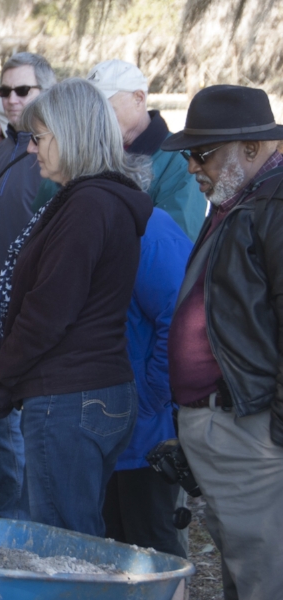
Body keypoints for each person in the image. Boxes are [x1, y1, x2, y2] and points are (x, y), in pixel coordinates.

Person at [0, 78, 152, 537]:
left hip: (69, 396)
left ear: (70, 134)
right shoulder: (91, 200)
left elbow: (48, 310)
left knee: (62, 545)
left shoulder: (88, 205)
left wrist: (0, 375)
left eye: (39, 138)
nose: (31, 151)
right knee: (76, 535)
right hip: (88, 390)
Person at [162, 85, 283, 600]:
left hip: (249, 430)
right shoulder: (241, 199)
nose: (192, 167)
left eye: (202, 153)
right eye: (190, 155)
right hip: (228, 426)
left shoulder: (272, 204)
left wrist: (271, 428)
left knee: (265, 574)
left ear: (252, 147)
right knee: (243, 569)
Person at [0, 51, 56, 522]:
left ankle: (22, 522)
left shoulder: (55, 151)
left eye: (22, 90)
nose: (10, 99)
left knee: (19, 422)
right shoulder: (2, 150)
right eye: (4, 90)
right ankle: (5, 513)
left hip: (29, 310)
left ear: (45, 92)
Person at [33, 59, 207, 240]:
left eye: (106, 107)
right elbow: (42, 216)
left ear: (139, 98)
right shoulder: (83, 151)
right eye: (90, 110)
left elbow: (176, 242)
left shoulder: (180, 162)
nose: (99, 117)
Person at [102, 205, 191, 557]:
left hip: (148, 428)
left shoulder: (151, 234)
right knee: (115, 539)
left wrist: (152, 398)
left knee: (152, 543)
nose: (34, 151)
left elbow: (181, 322)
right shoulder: (103, 221)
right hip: (115, 420)